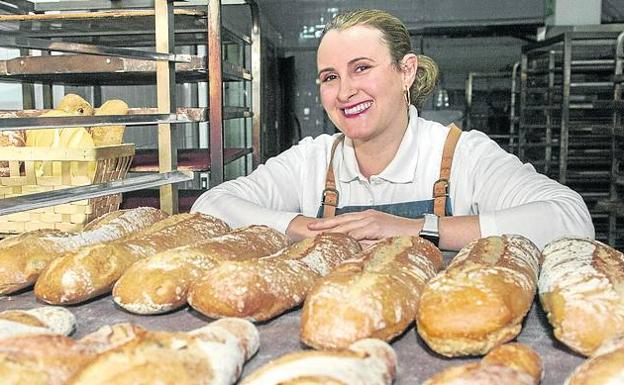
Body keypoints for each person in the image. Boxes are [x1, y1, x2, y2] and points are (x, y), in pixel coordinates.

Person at [191, 9, 594, 251]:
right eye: (330, 77)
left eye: (362, 68)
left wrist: (416, 228)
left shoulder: (461, 155)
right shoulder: (312, 160)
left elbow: (570, 218)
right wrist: (303, 228)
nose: (345, 91)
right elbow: (210, 205)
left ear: (406, 71)